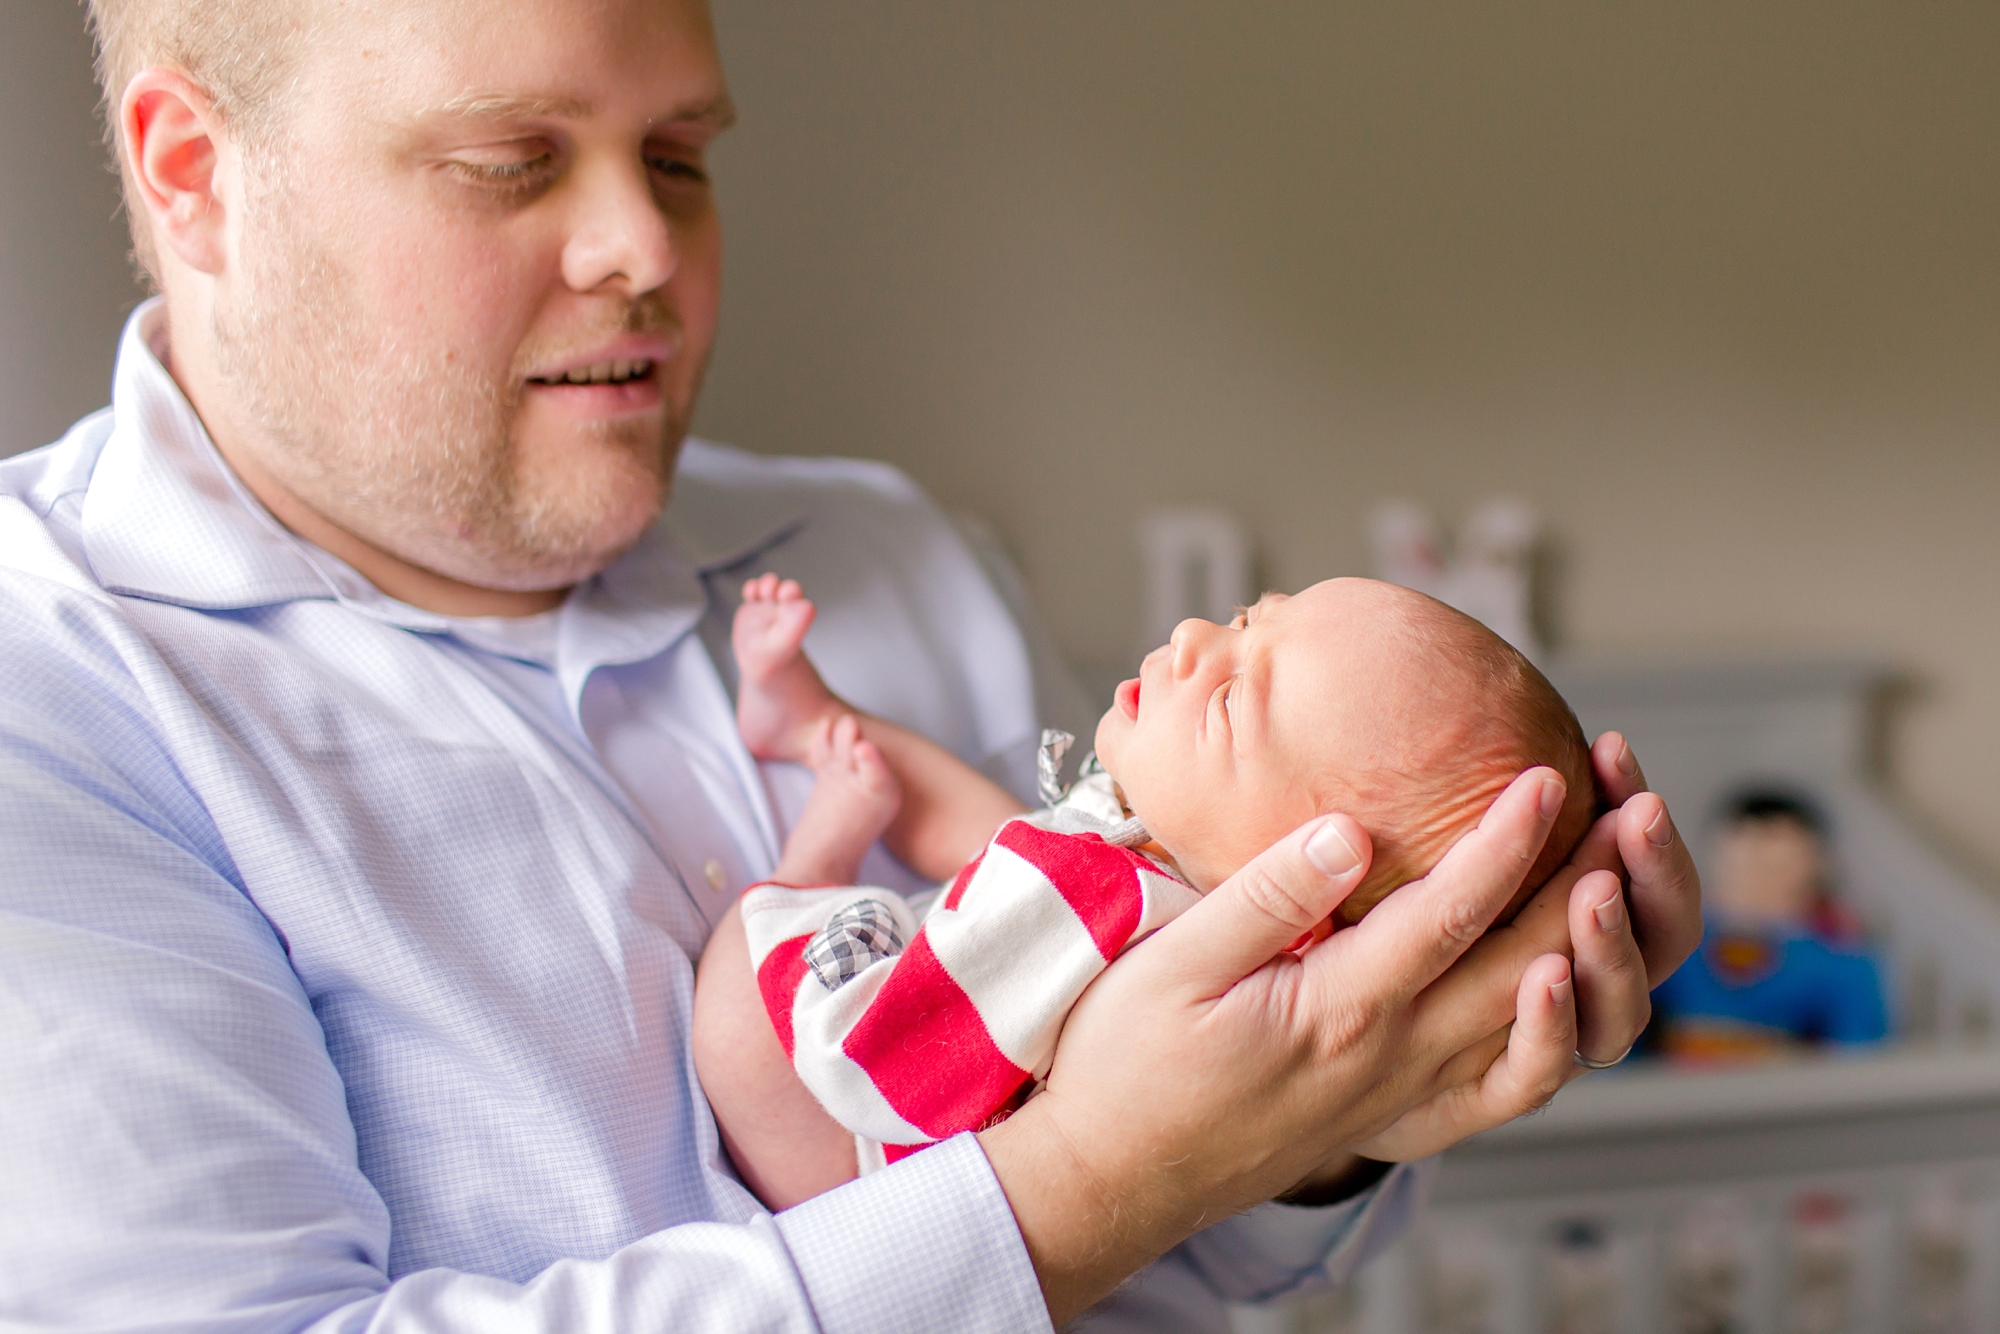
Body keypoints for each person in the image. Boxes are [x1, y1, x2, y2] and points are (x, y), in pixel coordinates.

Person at [0, 0, 1703, 1330]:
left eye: (679, 154)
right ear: (194, 173)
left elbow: (1197, 1254)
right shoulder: (52, 685)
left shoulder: (882, 553)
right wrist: (1084, 1177)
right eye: (516, 158)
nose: (645, 249)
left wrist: (1345, 1084)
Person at [695, 575, 1598, 1206]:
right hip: (903, 1107)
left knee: (749, 960)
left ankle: (819, 846)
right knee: (1006, 826)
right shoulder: (1159, 857)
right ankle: (812, 719)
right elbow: (973, 836)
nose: (1193, 640)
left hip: (833, 1130)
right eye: (1248, 620)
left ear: (1309, 885)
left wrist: (827, 907)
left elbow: (891, 1056)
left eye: (1231, 702)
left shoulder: (1100, 898)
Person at [1653, 789, 1887, 1064]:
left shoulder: (1844, 964)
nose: (1755, 870)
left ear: (1816, 869)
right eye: (1744, 862)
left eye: (1776, 865)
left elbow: (1860, 1063)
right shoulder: (1669, 943)